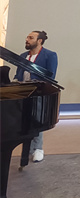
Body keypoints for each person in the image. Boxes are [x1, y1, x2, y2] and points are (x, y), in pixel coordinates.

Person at [14, 30, 58, 163]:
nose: (27, 39)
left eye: (31, 38)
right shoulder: (23, 56)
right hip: (22, 93)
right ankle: (28, 149)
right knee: (24, 122)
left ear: (39, 41)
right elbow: (18, 74)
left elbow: (50, 76)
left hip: (38, 93)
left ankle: (38, 149)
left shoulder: (50, 55)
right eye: (27, 37)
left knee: (37, 121)